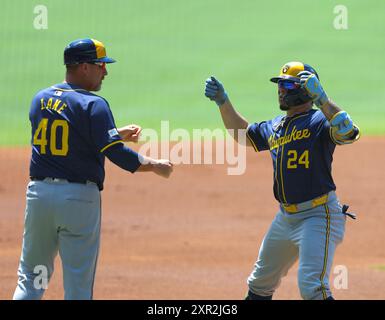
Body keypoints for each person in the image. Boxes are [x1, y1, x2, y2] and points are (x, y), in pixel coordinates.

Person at [13, 38, 173, 300]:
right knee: (78, 283)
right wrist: (154, 165)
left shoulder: (39, 99)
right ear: (84, 67)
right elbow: (115, 153)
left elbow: (69, 138)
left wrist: (113, 134)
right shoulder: (94, 104)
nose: (106, 72)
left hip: (39, 196)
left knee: (31, 278)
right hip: (77, 200)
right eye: (101, 65)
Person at [204, 61, 360, 300]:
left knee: (312, 287)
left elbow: (349, 132)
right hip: (286, 218)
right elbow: (243, 135)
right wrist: (223, 103)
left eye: (288, 84)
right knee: (259, 283)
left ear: (307, 89)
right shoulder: (276, 126)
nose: (281, 89)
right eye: (279, 84)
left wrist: (323, 99)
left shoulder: (319, 121)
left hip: (318, 215)